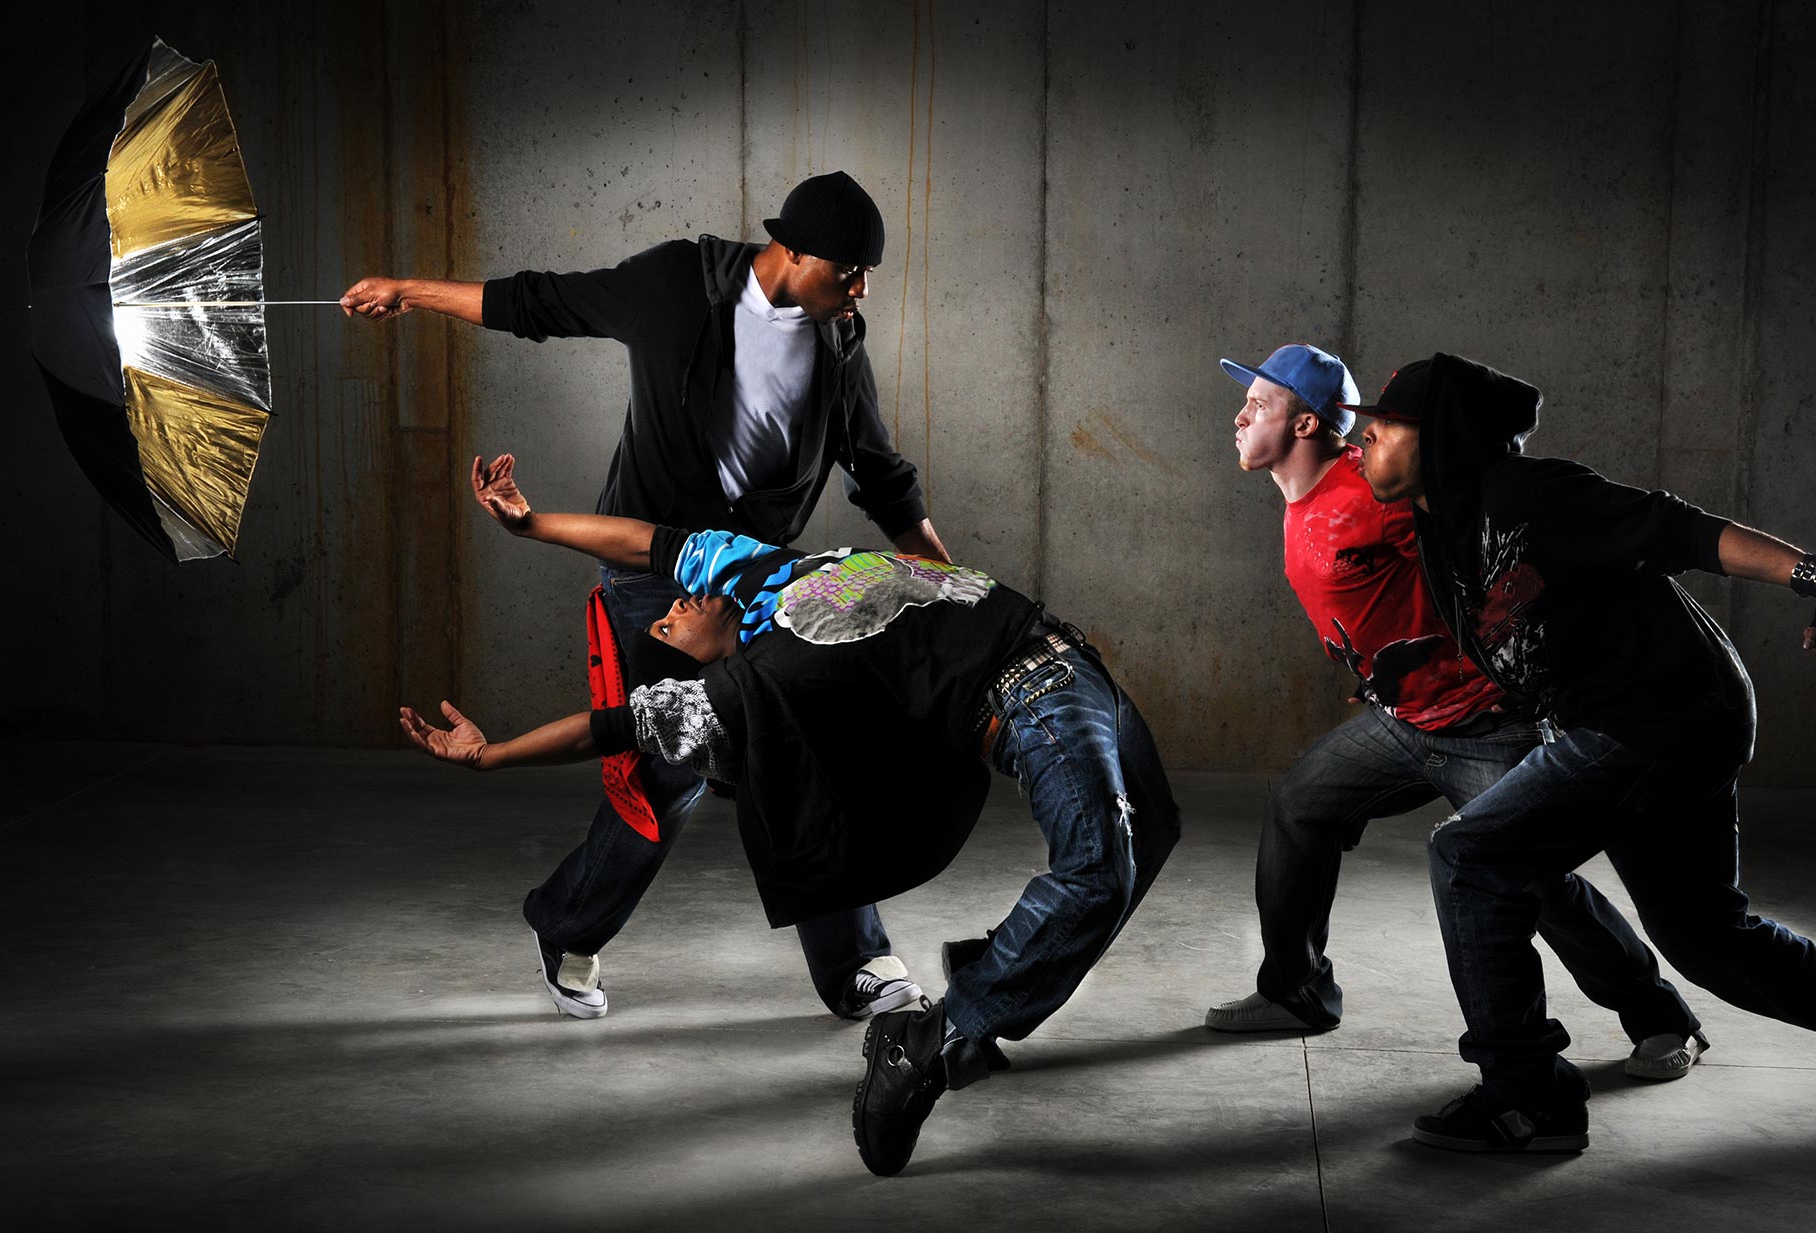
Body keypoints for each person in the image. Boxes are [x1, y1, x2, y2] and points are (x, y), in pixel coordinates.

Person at [400, 456, 1180, 1177]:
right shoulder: (750, 684)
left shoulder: (748, 569)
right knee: (1096, 871)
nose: (675, 605)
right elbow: (609, 727)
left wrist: (530, 523)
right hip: (1029, 695)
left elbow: (644, 542)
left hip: (1067, 653)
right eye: (668, 624)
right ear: (691, 658)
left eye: (673, 602)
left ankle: (994, 974)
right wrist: (492, 754)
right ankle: (929, 1041)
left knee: (1153, 828)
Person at [342, 172, 949, 1022]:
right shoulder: (675, 285)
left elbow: (880, 472)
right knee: (669, 765)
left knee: (794, 743)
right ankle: (566, 922)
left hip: (750, 577)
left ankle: (855, 961)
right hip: (647, 568)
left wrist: (950, 583)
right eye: (849, 272)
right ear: (795, 252)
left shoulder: (840, 341)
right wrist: (407, 290)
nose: (861, 291)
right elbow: (540, 301)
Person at [1346, 351, 1816, 1151]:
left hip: (1661, 714)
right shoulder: (1442, 527)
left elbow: (1677, 528)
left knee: (1470, 855)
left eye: (1386, 422)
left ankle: (1527, 1099)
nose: (1365, 434)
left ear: (1441, 435)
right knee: (1710, 943)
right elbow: (1519, 631)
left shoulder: (1529, 493)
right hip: (1647, 717)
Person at [1200, 344, 1705, 1079]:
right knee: (1299, 807)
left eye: (1259, 403)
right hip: (1403, 721)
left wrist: (1511, 647)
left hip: (1484, 723)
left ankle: (1662, 1018)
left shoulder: (1373, 492)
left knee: (1530, 879)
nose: (1240, 416)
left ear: (1306, 423)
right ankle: (1296, 990)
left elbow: (1477, 545)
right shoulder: (1304, 497)